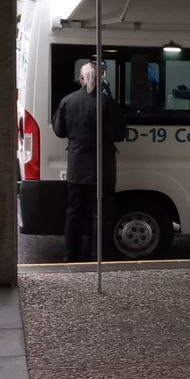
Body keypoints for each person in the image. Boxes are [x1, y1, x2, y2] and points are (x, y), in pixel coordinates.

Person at [52, 61, 124, 262]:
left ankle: (71, 256)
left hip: (77, 166)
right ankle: (98, 255)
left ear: (81, 79)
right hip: (103, 167)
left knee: (73, 212)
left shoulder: (68, 101)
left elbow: (59, 131)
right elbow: (119, 133)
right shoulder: (107, 102)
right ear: (100, 79)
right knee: (101, 214)